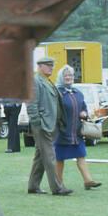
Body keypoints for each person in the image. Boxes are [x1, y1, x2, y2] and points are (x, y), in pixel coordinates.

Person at [26, 56, 73, 196]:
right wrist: (37, 122)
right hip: (43, 126)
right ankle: (57, 188)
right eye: (48, 65)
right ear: (39, 66)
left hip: (50, 124)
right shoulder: (35, 81)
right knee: (50, 156)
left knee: (40, 156)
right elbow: (31, 103)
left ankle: (33, 186)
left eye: (52, 66)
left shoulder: (46, 81)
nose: (51, 68)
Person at [54, 65, 101, 190]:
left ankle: (88, 181)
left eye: (70, 75)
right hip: (61, 132)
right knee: (59, 159)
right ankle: (58, 184)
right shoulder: (56, 93)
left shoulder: (78, 93)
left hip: (76, 132)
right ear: (61, 78)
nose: (69, 77)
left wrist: (84, 113)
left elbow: (83, 107)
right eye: (66, 76)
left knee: (81, 155)